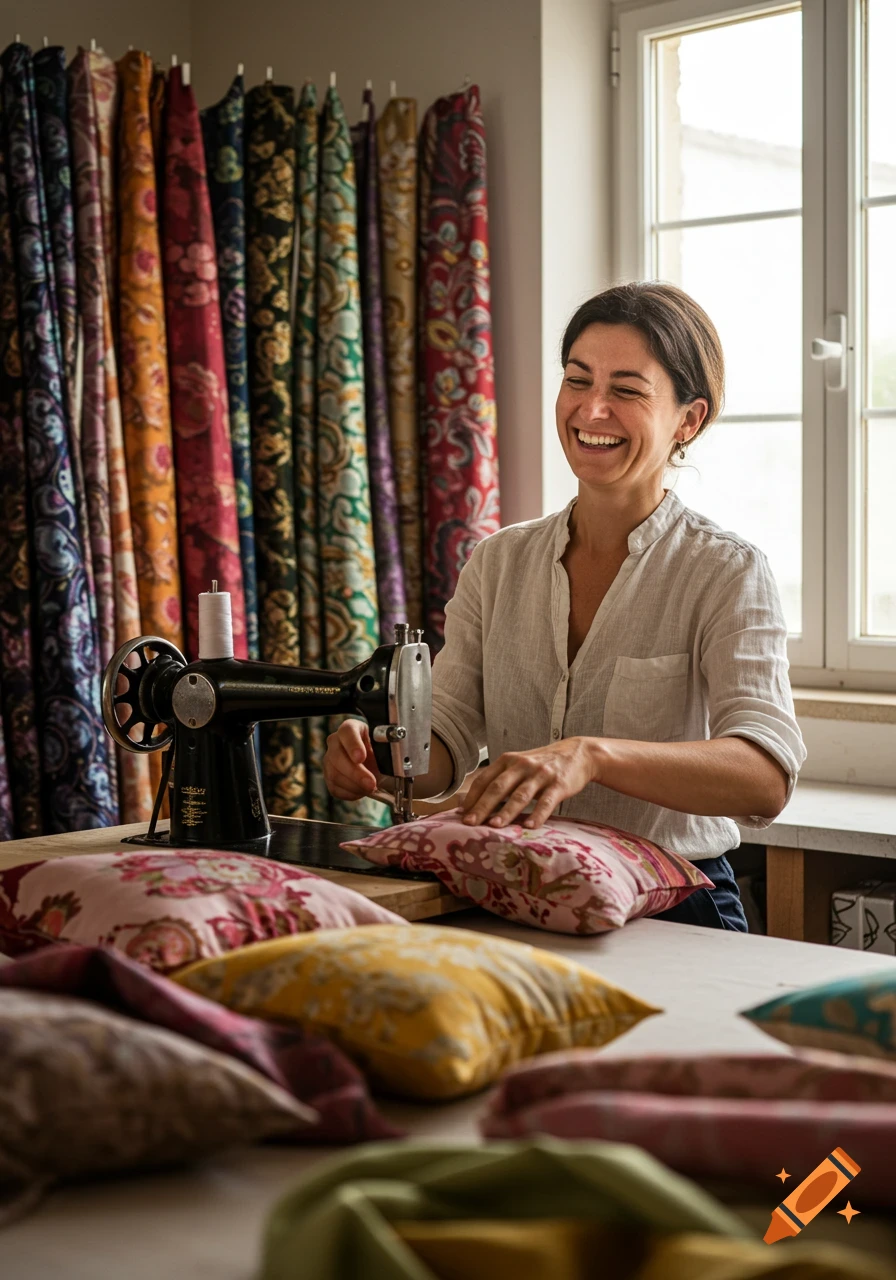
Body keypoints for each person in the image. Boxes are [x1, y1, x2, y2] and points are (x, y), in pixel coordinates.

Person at [324, 282, 806, 931]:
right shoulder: (499, 563)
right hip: (514, 893)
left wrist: (591, 755)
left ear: (688, 420)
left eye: (627, 390)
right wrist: (380, 756)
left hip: (673, 907)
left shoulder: (724, 571)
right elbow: (446, 743)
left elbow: (764, 776)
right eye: (578, 380)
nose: (592, 409)